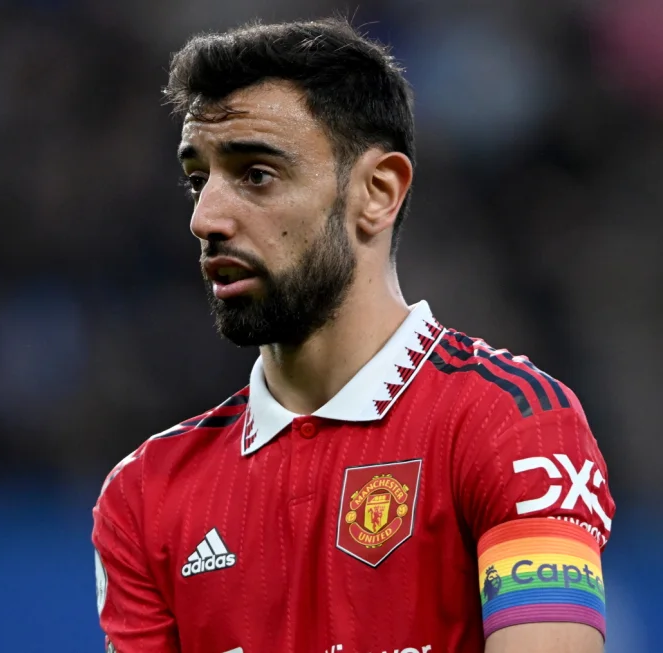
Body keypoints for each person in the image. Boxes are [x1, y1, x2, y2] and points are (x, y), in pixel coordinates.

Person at [91, 18, 614, 653]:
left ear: (377, 191)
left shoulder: (514, 423)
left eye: (256, 174)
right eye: (198, 179)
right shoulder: (146, 493)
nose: (207, 218)